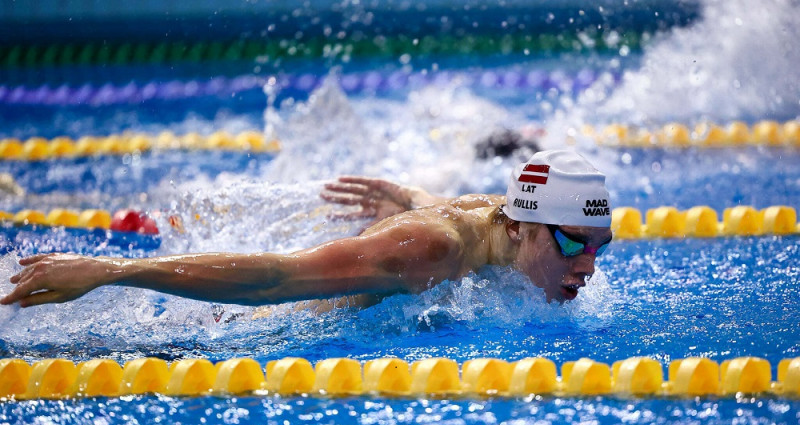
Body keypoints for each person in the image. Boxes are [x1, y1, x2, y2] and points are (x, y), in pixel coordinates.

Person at [1, 150, 612, 310]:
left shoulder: (499, 223)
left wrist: (411, 196)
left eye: (596, 247)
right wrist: (115, 271)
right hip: (243, 322)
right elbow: (275, 278)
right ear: (519, 227)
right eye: (570, 241)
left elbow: (467, 208)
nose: (587, 266)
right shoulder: (429, 252)